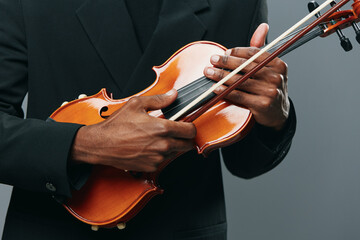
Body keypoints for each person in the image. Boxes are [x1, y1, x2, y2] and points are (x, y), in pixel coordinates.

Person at [0, 0, 296, 239]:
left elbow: (244, 162)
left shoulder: (237, 4)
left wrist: (273, 117)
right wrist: (87, 143)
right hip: (51, 228)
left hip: (178, 229)